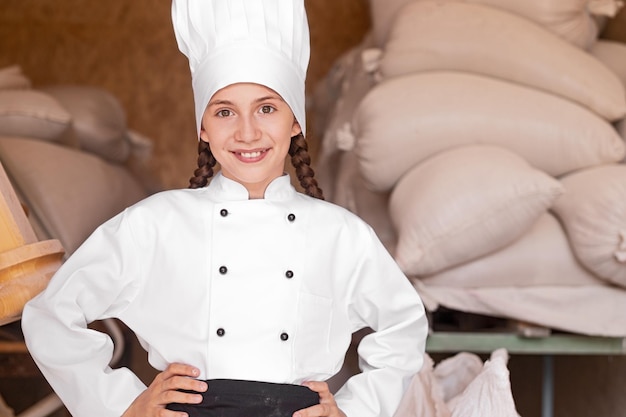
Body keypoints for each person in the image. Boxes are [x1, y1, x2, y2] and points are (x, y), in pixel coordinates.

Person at [21, 1, 428, 416]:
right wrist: (123, 404)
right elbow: (51, 315)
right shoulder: (156, 224)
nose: (247, 132)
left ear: (295, 122)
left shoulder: (341, 234)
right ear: (203, 126)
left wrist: (354, 411)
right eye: (225, 111)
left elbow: (403, 325)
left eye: (267, 108)